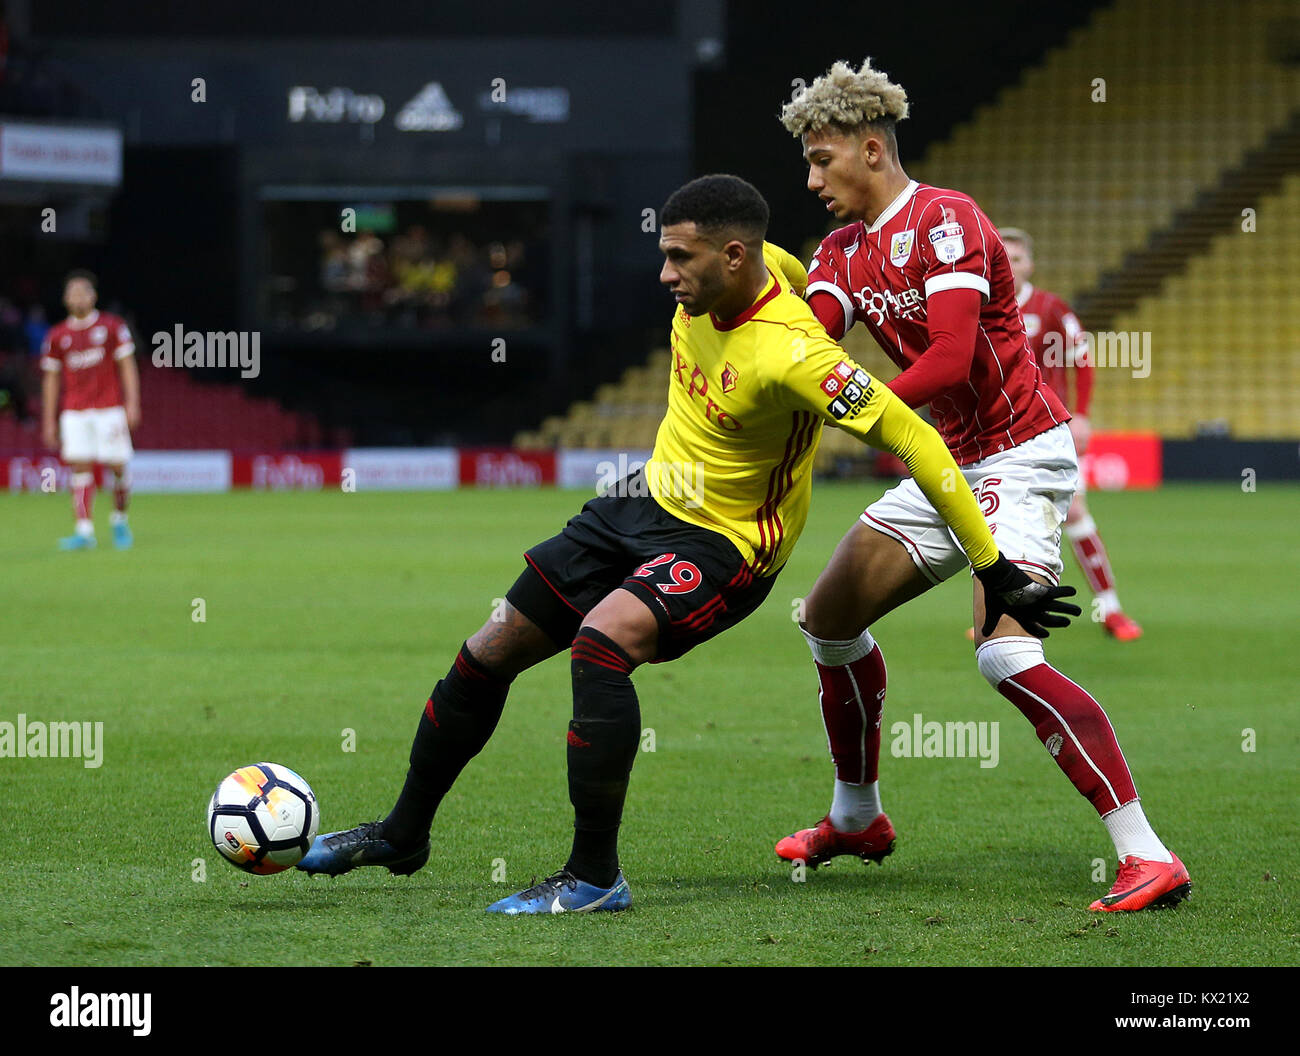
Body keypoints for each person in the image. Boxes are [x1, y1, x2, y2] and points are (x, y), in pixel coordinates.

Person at [297, 174, 1074, 914]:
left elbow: (916, 439)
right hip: (643, 500)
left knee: (601, 647)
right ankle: (403, 833)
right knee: (488, 648)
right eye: (665, 253)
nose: (665, 272)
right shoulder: (763, 266)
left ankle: (594, 878)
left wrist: (993, 565)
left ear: (731, 256)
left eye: (680, 256)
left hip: (727, 542)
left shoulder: (794, 355)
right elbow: (802, 268)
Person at [774, 60, 1188, 911]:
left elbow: (953, 357)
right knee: (829, 619)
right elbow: (812, 352)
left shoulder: (946, 220)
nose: (812, 179)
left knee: (1004, 652)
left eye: (823, 160)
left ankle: (1148, 854)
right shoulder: (839, 251)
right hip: (941, 461)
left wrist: (856, 417)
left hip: (1018, 452)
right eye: (807, 164)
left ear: (872, 148)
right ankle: (858, 819)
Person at [1000, 228, 1142, 641]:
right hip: (1001, 432)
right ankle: (1000, 612)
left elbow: (1082, 361)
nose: (1011, 264)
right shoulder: (982, 306)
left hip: (1050, 427)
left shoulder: (1050, 307)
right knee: (1002, 523)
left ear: (1031, 264)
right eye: (1003, 256)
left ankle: (1110, 609)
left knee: (1075, 513)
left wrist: (1081, 414)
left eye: (1018, 257)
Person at [40, 271, 139, 550]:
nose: (78, 297)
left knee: (117, 465)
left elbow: (127, 366)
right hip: (75, 410)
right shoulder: (57, 335)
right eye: (72, 292)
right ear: (65, 299)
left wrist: (132, 403)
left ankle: (119, 520)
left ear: (93, 296)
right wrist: (49, 420)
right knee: (80, 467)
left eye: (83, 292)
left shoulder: (111, 327)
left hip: (109, 408)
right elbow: (50, 379)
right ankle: (84, 531)